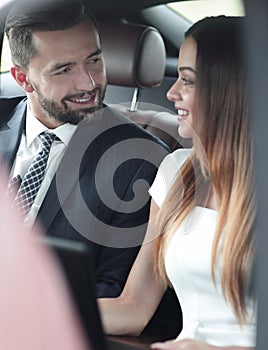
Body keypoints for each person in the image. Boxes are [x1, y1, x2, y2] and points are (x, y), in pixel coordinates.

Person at [98, 16, 257, 350]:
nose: (172, 92)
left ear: (231, 88)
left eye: (188, 81)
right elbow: (133, 309)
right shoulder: (175, 173)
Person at [0, 0, 169, 298]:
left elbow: (111, 289)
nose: (89, 83)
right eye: (64, 70)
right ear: (23, 79)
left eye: (94, 60)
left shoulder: (140, 161)